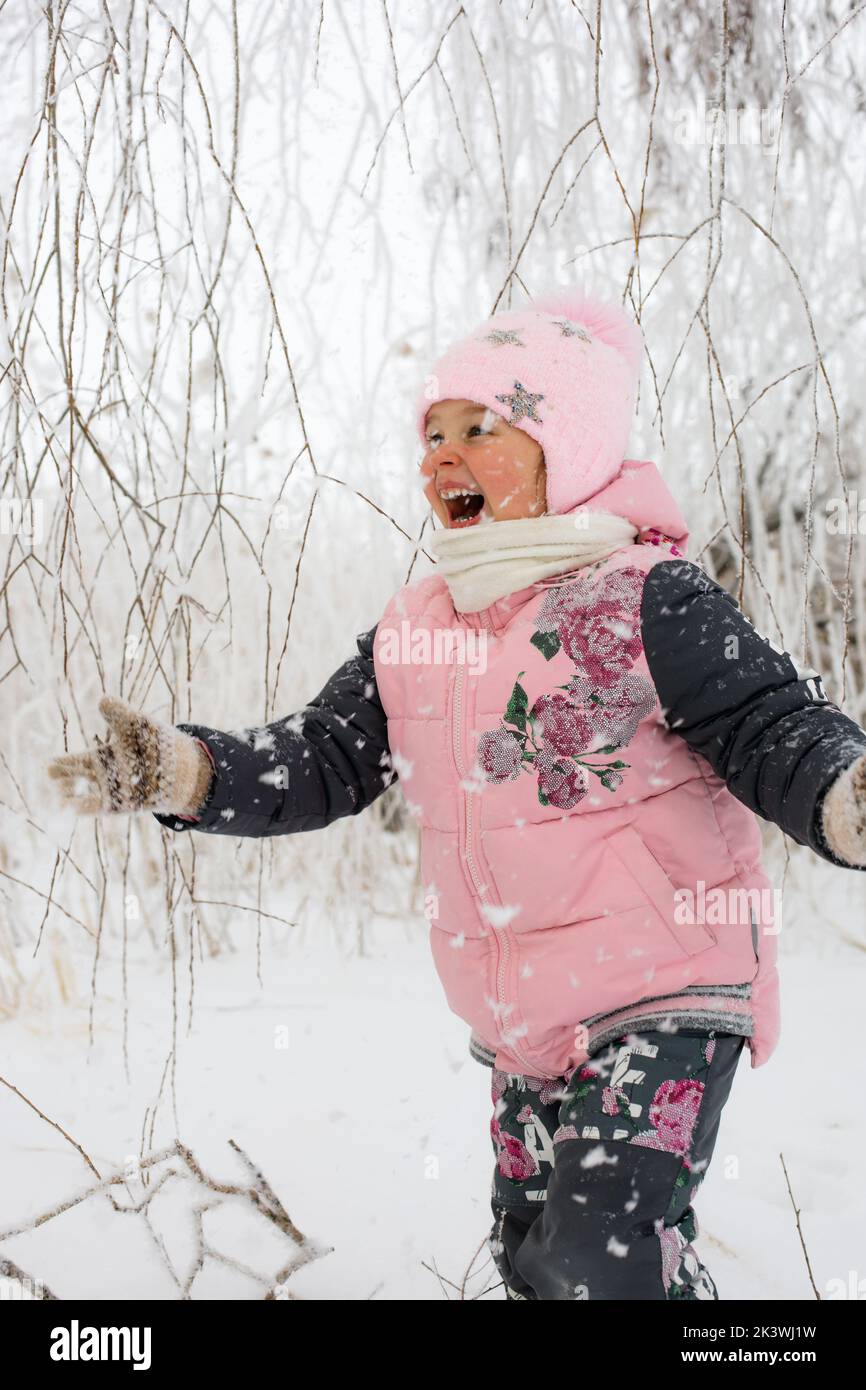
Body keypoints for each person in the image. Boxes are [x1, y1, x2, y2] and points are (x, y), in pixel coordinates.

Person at [47, 287, 866, 1300]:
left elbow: (768, 725)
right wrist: (187, 772)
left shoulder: (647, 595)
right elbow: (322, 758)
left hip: (665, 989)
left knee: (595, 1263)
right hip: (524, 1017)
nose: (442, 454)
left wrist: (843, 794)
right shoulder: (415, 628)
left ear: (561, 450)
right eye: (431, 433)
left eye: (481, 428)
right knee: (529, 1252)